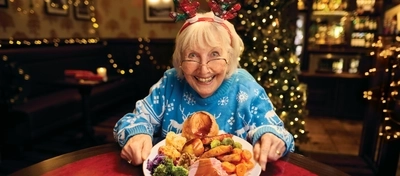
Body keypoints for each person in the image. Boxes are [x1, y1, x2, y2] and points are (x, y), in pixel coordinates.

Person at [113, 1, 295, 172]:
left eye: (215, 53)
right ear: (180, 61)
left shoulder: (245, 86)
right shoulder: (170, 83)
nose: (204, 69)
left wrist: (271, 136)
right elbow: (131, 121)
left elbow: (279, 133)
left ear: (230, 56)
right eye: (192, 55)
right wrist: (137, 134)